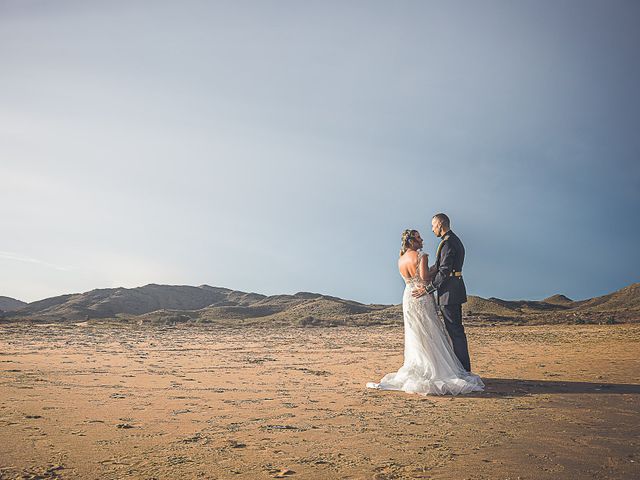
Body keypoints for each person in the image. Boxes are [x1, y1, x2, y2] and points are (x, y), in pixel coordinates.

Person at [366, 229, 483, 395]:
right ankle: (435, 369)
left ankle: (419, 367)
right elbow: (425, 278)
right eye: (419, 237)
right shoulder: (421, 256)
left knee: (416, 334)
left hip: (408, 297)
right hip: (421, 296)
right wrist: (437, 268)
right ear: (412, 240)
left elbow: (411, 278)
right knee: (430, 332)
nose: (422, 240)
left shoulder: (400, 259)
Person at [413, 213, 472, 371]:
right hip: (454, 290)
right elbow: (441, 267)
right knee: (455, 331)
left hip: (449, 293)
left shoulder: (448, 243)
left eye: (433, 226)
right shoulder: (452, 240)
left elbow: (444, 271)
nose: (432, 230)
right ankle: (462, 368)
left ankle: (464, 371)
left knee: (455, 332)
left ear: (440, 224)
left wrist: (428, 289)